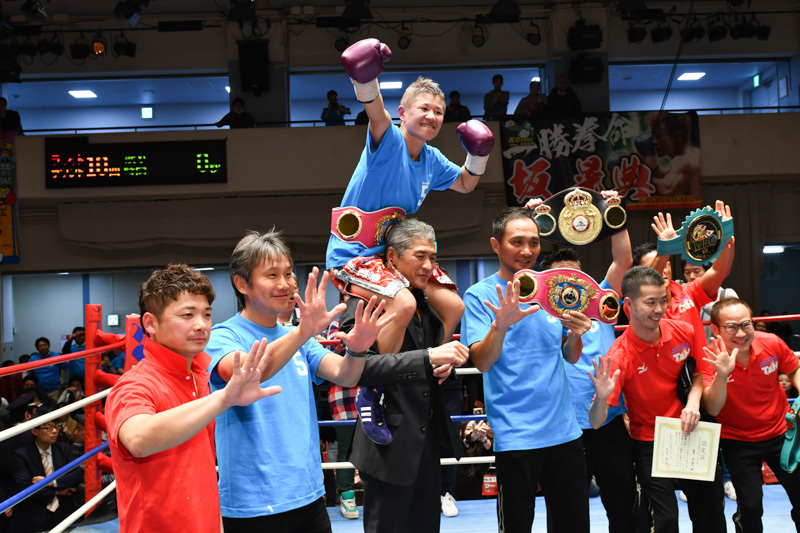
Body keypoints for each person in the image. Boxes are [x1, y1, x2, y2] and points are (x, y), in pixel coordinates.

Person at [329, 39, 493, 442]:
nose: (432, 116)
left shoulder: (433, 159)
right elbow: (375, 111)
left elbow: (469, 184)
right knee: (403, 302)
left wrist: (480, 153)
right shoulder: (388, 142)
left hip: (393, 256)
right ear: (404, 113)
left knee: (453, 303)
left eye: (438, 111)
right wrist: (365, 76)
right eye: (424, 108)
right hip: (354, 254)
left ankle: (433, 367)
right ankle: (374, 390)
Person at [206, 229, 394, 533]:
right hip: (253, 504)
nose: (285, 284)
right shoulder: (223, 337)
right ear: (242, 283)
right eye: (272, 275)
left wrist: (358, 349)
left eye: (289, 273)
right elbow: (251, 374)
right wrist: (302, 331)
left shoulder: (299, 340)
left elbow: (345, 374)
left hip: (308, 495)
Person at [105, 264, 283, 533]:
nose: (201, 325)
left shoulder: (199, 375)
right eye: (187, 315)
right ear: (150, 323)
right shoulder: (134, 385)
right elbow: (138, 440)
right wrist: (224, 399)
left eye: (207, 314)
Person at [461, 207, 593, 533]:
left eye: (533, 242)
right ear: (496, 245)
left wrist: (576, 334)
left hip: (564, 430)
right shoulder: (480, 295)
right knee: (517, 526)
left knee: (573, 525)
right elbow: (481, 362)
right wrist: (500, 326)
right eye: (516, 241)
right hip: (516, 435)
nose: (526, 250)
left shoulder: (552, 289)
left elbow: (570, 356)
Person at [339, 218, 468, 532]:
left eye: (433, 258)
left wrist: (443, 362)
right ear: (392, 259)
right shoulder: (361, 303)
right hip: (387, 447)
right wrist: (427, 357)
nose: (428, 266)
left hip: (426, 442)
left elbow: (427, 359)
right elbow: (360, 370)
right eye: (420, 256)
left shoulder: (427, 303)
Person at [589, 266, 726, 533]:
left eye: (663, 300)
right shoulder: (618, 356)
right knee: (663, 522)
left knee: (711, 514)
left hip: (692, 433)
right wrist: (601, 398)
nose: (659, 308)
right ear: (628, 305)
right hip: (651, 443)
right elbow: (596, 422)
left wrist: (693, 403)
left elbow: (698, 374)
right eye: (650, 302)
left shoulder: (683, 331)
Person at [534, 193, 638, 533]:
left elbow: (623, 260)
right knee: (566, 512)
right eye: (559, 278)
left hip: (607, 419)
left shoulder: (601, 303)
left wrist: (613, 211)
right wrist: (534, 218)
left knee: (622, 503)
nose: (569, 284)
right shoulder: (534, 313)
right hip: (561, 428)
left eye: (576, 277)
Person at [701, 297, 800, 532]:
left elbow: (794, 368)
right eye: (731, 327)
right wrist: (722, 375)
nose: (741, 333)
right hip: (738, 442)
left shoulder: (771, 343)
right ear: (715, 329)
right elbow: (713, 408)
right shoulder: (709, 359)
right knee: (751, 507)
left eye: (746, 324)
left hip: (782, 436)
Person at [637, 200, 735, 353]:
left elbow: (720, 271)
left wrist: (726, 239)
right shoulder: (637, 304)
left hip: (701, 373)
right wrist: (666, 249)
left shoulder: (689, 291)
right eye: (655, 265)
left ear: (669, 267)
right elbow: (648, 283)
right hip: (664, 373)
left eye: (665, 265)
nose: (661, 270)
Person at [11, 413, 83, 533]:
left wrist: (52, 482)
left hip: (65, 509)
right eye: (49, 428)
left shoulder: (64, 449)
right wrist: (57, 491)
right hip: (36, 512)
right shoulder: (21, 455)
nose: (55, 431)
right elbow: (26, 487)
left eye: (56, 426)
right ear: (35, 431)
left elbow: (77, 473)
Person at [682, 261, 738, 343]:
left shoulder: (726, 294)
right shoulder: (681, 294)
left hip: (718, 351)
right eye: (687, 272)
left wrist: (700, 296)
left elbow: (735, 319)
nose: (692, 276)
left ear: (709, 272)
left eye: (697, 271)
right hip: (690, 351)